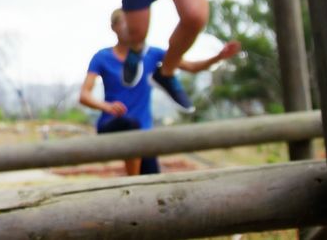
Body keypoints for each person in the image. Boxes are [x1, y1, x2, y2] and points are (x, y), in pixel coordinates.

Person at [79, 9, 241, 176]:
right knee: (132, 128)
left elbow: (192, 67)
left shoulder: (151, 54)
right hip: (112, 125)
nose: (130, 27)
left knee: (153, 179)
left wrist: (219, 57)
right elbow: (84, 95)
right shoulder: (102, 57)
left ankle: (137, 185)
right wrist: (106, 106)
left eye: (133, 23)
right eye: (124, 22)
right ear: (114, 27)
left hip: (144, 131)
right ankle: (131, 183)